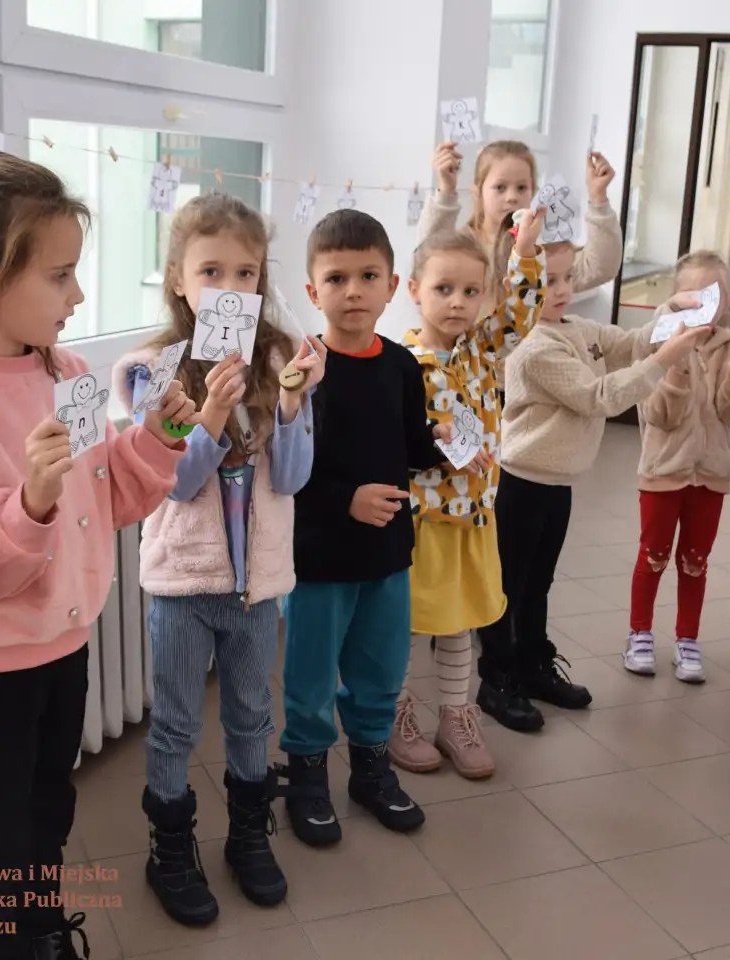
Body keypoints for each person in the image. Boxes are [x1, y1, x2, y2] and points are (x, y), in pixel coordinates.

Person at [0, 153, 193, 960]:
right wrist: (30, 504)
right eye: (60, 277)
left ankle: (41, 928)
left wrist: (157, 437)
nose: (77, 296)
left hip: (61, 643)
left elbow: (111, 500)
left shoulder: (69, 373)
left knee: (49, 805)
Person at [111, 194, 325, 925]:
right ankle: (169, 847)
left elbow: (293, 478)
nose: (231, 287)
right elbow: (169, 482)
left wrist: (292, 409)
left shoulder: (274, 357)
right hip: (181, 584)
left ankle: (246, 834)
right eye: (211, 270)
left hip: (257, 589)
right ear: (177, 278)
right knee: (173, 724)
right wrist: (203, 420)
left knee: (250, 717)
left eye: (247, 271)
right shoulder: (148, 370)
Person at [474, 241, 718, 730]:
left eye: (567, 278)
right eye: (547, 282)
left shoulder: (576, 328)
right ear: (515, 287)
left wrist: (669, 312)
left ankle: (533, 665)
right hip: (520, 484)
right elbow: (599, 397)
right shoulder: (532, 347)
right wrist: (664, 359)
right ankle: (497, 680)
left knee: (538, 584)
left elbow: (627, 343)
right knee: (508, 590)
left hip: (556, 484)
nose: (562, 290)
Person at [278, 209, 451, 846]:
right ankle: (307, 773)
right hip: (320, 555)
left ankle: (372, 768)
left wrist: (440, 446)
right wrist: (342, 500)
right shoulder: (302, 370)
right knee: (313, 672)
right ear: (312, 291)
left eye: (368, 275)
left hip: (387, 551)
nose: (353, 290)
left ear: (391, 284)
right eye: (337, 277)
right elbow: (285, 467)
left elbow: (408, 440)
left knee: (381, 665)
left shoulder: (403, 365)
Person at [389, 207, 546, 780]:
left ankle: (457, 715)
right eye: (444, 288)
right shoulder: (400, 361)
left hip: (475, 517)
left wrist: (525, 251)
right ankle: (394, 712)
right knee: (407, 624)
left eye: (471, 291)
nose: (458, 301)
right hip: (422, 520)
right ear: (414, 290)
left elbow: (522, 314)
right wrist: (433, 437)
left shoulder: (481, 350)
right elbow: (394, 439)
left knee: (459, 624)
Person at [624, 252, 730, 682]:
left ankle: (688, 638)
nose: (707, 301)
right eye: (695, 293)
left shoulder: (729, 344)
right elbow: (660, 414)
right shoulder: (658, 341)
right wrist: (678, 363)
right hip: (663, 471)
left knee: (695, 560)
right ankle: (639, 633)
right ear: (677, 298)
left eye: (716, 292)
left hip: (711, 473)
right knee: (653, 555)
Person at [418, 139, 622, 296]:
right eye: (500, 187)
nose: (512, 197)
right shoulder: (465, 245)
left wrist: (598, 197)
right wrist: (445, 190)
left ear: (533, 193)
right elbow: (424, 261)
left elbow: (599, 268)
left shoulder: (544, 247)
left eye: (522, 188)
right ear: (478, 192)